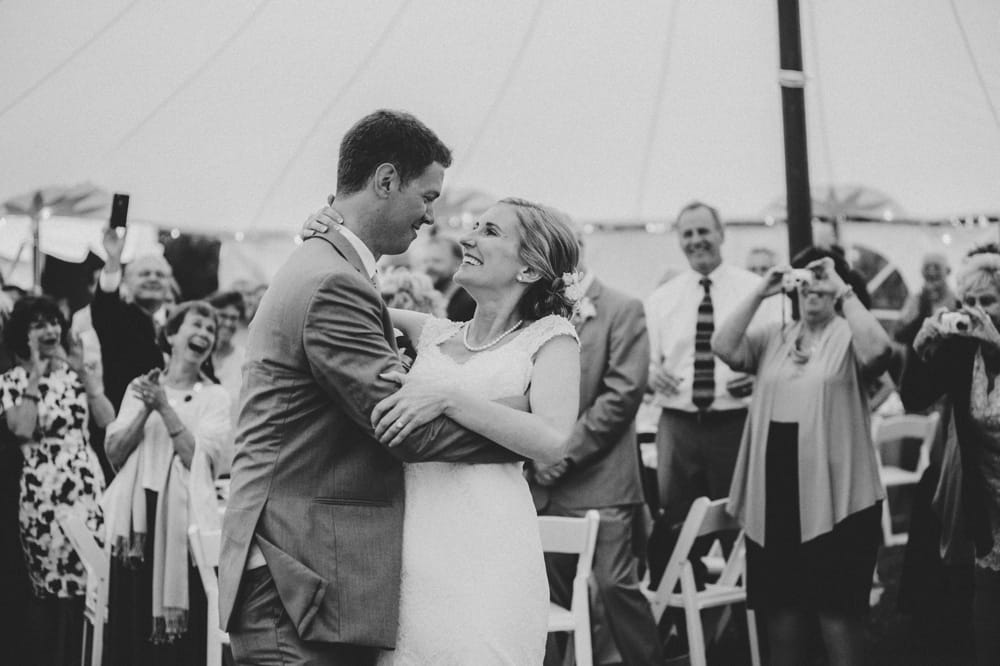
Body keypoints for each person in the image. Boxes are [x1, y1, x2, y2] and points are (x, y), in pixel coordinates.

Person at [219, 110, 577, 665]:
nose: (438, 221)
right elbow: (405, 430)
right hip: (327, 565)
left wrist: (460, 399)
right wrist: (520, 422)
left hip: (465, 548)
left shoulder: (334, 272)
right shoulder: (341, 283)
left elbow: (552, 437)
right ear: (386, 182)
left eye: (489, 230)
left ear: (530, 270)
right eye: (428, 197)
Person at [713, 250, 891, 666]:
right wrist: (762, 290)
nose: (812, 287)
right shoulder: (774, 335)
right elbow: (723, 345)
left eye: (821, 278)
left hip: (837, 494)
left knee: (837, 614)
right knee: (782, 615)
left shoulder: (850, 335)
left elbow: (880, 352)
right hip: (777, 490)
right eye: (805, 278)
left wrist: (840, 287)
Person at [529, 221, 666, 666]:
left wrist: (558, 454)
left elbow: (621, 396)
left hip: (602, 483)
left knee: (615, 588)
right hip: (543, 488)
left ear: (577, 249)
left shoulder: (623, 309)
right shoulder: (534, 314)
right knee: (544, 599)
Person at [103, 301, 231, 666]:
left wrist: (165, 407)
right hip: (138, 519)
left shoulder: (216, 397)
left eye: (211, 329)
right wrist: (146, 406)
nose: (205, 333)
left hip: (184, 524)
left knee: (180, 636)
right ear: (172, 334)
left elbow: (200, 461)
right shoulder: (140, 388)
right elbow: (114, 452)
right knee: (132, 613)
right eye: (198, 324)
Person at [644, 201, 775, 524]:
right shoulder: (661, 299)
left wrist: (759, 378)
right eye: (687, 233)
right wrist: (651, 377)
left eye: (703, 231)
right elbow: (644, 363)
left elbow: (776, 355)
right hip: (678, 427)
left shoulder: (754, 291)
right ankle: (690, 577)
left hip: (735, 424)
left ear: (721, 233)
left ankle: (737, 576)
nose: (696, 240)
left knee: (741, 522)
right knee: (677, 526)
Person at [0, 295, 112, 666]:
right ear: (24, 334)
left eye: (53, 322)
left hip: (85, 489)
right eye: (39, 324)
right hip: (41, 497)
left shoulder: (77, 375)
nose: (50, 329)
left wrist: (83, 372)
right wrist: (34, 371)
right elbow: (22, 427)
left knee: (90, 582)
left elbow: (105, 418)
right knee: (50, 589)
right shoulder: (11, 381)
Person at [900, 251, 1000, 666]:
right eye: (969, 302)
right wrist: (920, 350)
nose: (977, 312)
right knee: (986, 607)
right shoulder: (965, 350)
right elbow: (914, 399)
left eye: (989, 301)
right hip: (984, 494)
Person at [92, 228, 172, 411]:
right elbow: (105, 301)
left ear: (169, 284)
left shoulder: (175, 325)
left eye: (160, 275)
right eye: (144, 274)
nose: (153, 278)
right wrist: (113, 260)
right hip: (123, 419)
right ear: (126, 282)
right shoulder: (119, 317)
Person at [894, 252, 956, 346]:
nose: (931, 271)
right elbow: (899, 334)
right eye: (927, 267)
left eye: (936, 267)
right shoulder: (915, 300)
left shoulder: (956, 300)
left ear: (948, 271)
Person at [420, 234, 476, 321]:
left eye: (436, 261)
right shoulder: (427, 299)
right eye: (425, 261)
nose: (429, 267)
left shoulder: (469, 302)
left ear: (457, 264)